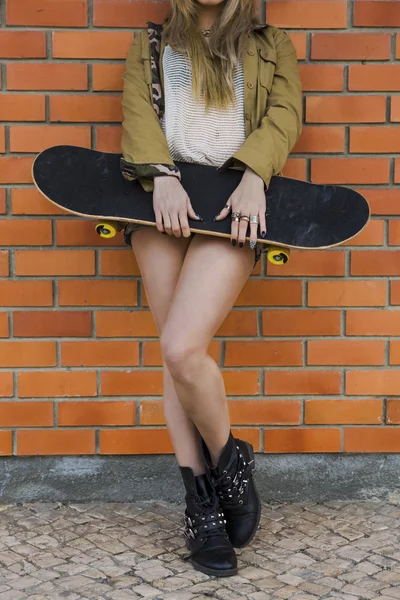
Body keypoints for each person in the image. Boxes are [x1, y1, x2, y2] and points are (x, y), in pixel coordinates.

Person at [120, 0, 302, 578]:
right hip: (160, 207)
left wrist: (254, 177)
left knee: (181, 348)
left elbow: (285, 114)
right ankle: (201, 503)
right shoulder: (152, 43)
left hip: (230, 205)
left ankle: (229, 462)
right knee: (175, 356)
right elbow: (137, 117)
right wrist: (162, 176)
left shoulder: (271, 44)